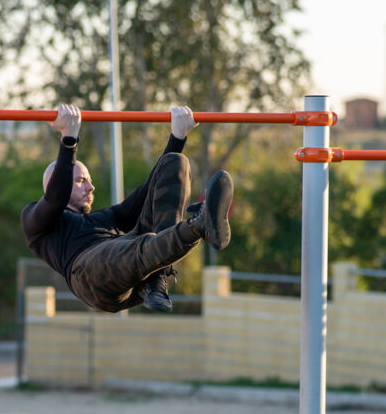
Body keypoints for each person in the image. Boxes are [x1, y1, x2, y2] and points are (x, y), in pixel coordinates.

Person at [20, 103, 233, 313]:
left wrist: (178, 137)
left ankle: (157, 279)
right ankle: (197, 226)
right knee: (133, 246)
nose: (90, 187)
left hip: (135, 277)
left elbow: (152, 188)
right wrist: (69, 138)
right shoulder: (38, 222)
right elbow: (56, 197)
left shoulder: (107, 218)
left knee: (176, 162)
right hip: (90, 276)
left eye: (89, 181)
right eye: (81, 181)